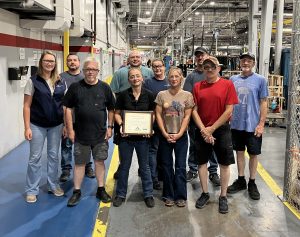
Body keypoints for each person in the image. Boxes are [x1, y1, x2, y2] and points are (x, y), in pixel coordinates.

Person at [63, 57, 115, 207]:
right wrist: (70, 130)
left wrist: (110, 127)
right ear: (83, 71)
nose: (90, 72)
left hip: (100, 134)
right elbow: (67, 109)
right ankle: (77, 191)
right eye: (88, 69)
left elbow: (111, 109)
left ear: (98, 71)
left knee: (99, 162)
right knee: (79, 163)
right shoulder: (75, 87)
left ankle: (100, 189)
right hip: (80, 134)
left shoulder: (105, 87)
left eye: (93, 69)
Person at [192, 56, 238, 214]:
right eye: (206, 67)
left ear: (218, 68)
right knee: (202, 162)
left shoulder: (227, 84)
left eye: (212, 66)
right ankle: (205, 193)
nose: (209, 69)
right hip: (202, 129)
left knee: (224, 164)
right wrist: (204, 129)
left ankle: (223, 196)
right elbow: (194, 110)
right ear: (203, 69)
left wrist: (211, 129)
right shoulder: (198, 86)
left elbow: (229, 110)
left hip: (221, 129)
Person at [23, 50, 66, 203]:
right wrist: (27, 127)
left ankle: (53, 185)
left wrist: (66, 125)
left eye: (52, 61)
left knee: (54, 156)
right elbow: (26, 106)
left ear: (55, 64)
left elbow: (64, 106)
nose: (49, 63)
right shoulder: (33, 81)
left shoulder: (61, 81)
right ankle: (31, 189)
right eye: (46, 61)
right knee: (35, 158)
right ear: (41, 62)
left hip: (56, 125)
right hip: (37, 125)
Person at [227, 52, 268, 200]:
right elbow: (229, 101)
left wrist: (261, 123)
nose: (245, 63)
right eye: (243, 60)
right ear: (240, 63)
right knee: (238, 152)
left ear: (253, 63)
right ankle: (241, 179)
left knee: (253, 154)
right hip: (236, 124)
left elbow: (264, 102)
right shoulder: (233, 79)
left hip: (253, 125)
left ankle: (252, 182)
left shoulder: (260, 80)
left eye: (249, 61)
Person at [113, 68, 155, 208]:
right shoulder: (123, 95)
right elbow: (117, 113)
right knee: (124, 166)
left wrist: (150, 127)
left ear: (142, 78)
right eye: (132, 76)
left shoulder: (149, 95)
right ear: (129, 79)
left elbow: (154, 114)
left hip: (143, 138)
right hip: (126, 138)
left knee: (145, 166)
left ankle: (148, 194)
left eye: (137, 76)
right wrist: (122, 125)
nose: (135, 78)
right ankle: (120, 194)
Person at [110, 50, 153, 179]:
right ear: (128, 59)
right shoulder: (119, 73)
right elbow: (113, 92)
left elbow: (149, 94)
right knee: (124, 152)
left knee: (144, 158)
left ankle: (143, 170)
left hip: (143, 116)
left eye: (137, 57)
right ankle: (121, 167)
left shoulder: (149, 72)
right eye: (132, 57)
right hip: (125, 115)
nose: (135, 59)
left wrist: (148, 125)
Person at [155, 67, 194, 207]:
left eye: (176, 76)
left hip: (181, 137)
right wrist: (165, 133)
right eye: (171, 76)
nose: (174, 79)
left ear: (181, 78)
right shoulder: (161, 95)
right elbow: (158, 114)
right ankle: (168, 194)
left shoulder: (187, 95)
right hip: (165, 136)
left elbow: (188, 116)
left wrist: (179, 133)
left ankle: (181, 195)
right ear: (168, 78)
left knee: (180, 166)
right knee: (166, 166)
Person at [183, 47, 220, 186]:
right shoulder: (192, 77)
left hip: (212, 119)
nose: (199, 58)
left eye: (202, 55)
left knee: (212, 145)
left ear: (207, 56)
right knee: (194, 146)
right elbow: (187, 97)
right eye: (197, 56)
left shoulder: (215, 75)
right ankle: (192, 169)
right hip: (195, 119)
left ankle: (213, 171)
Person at [59, 53, 95, 183]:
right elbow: (60, 101)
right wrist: (64, 124)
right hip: (67, 119)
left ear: (79, 62)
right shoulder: (60, 78)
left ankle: (88, 166)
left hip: (83, 120)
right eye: (69, 60)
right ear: (66, 62)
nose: (72, 62)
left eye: (74, 60)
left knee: (86, 145)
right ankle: (66, 170)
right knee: (66, 146)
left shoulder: (85, 77)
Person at [143, 59, 169, 190]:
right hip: (152, 121)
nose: (157, 68)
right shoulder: (148, 82)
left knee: (165, 149)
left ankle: (164, 174)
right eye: (154, 67)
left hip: (169, 122)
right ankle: (153, 178)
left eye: (160, 66)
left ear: (164, 67)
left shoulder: (170, 81)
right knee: (153, 150)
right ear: (152, 68)